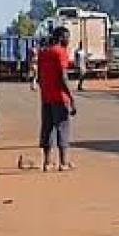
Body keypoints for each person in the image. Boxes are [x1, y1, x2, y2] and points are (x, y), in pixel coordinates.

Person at [37, 27, 77, 171]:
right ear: (61, 38)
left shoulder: (43, 53)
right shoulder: (60, 52)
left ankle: (47, 163)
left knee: (47, 128)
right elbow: (63, 77)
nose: (68, 40)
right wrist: (71, 97)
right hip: (60, 97)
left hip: (46, 97)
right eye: (67, 37)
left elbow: (39, 77)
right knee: (63, 128)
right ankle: (63, 162)